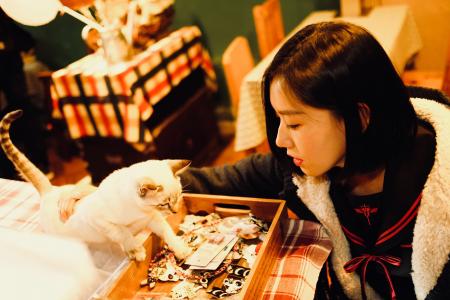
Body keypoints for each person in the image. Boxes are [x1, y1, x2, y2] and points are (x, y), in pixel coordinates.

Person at [59, 22, 449, 299]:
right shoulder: (304, 169)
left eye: (294, 123)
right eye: (278, 119)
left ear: (359, 117)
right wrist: (108, 197)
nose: (279, 139)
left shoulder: (440, 189)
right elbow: (220, 180)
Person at [0, 8, 50, 179]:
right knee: (22, 113)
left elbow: (26, 41)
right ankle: (16, 172)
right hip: (13, 77)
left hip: (12, 75)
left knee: (23, 113)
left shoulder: (4, 22)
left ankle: (38, 164)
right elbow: (26, 42)